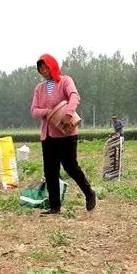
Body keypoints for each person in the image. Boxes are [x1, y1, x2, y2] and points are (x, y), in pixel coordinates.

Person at [30, 54, 97, 215]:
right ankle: (55, 206)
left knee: (71, 166)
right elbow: (34, 110)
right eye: (40, 69)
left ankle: (89, 193)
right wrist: (48, 112)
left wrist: (68, 113)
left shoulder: (65, 81)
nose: (43, 71)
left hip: (67, 133)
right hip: (48, 135)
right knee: (50, 171)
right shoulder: (39, 88)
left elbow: (74, 96)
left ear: (52, 66)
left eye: (46, 67)